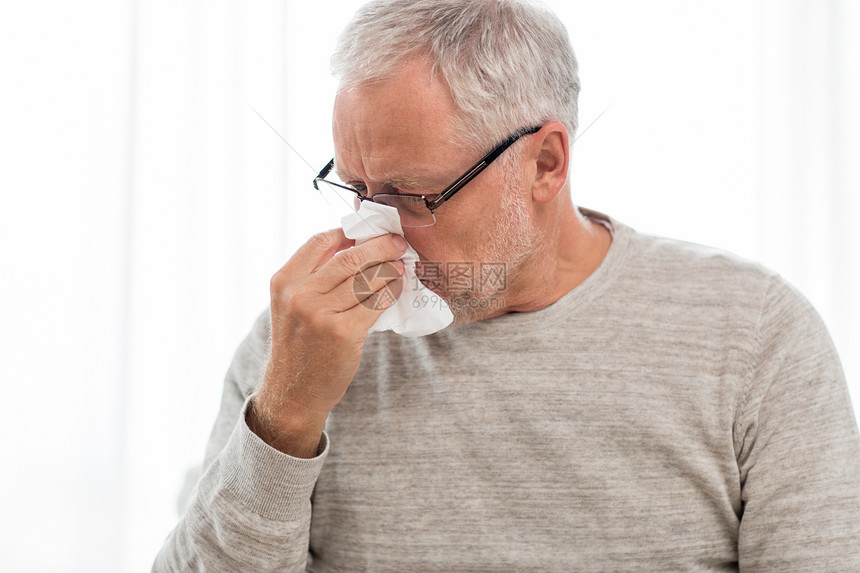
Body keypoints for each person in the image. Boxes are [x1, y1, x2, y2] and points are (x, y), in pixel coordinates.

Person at [153, 0, 860, 570]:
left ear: (546, 163)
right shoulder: (303, 340)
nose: (374, 234)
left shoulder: (754, 333)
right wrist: (282, 416)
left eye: (411, 194)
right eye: (356, 188)